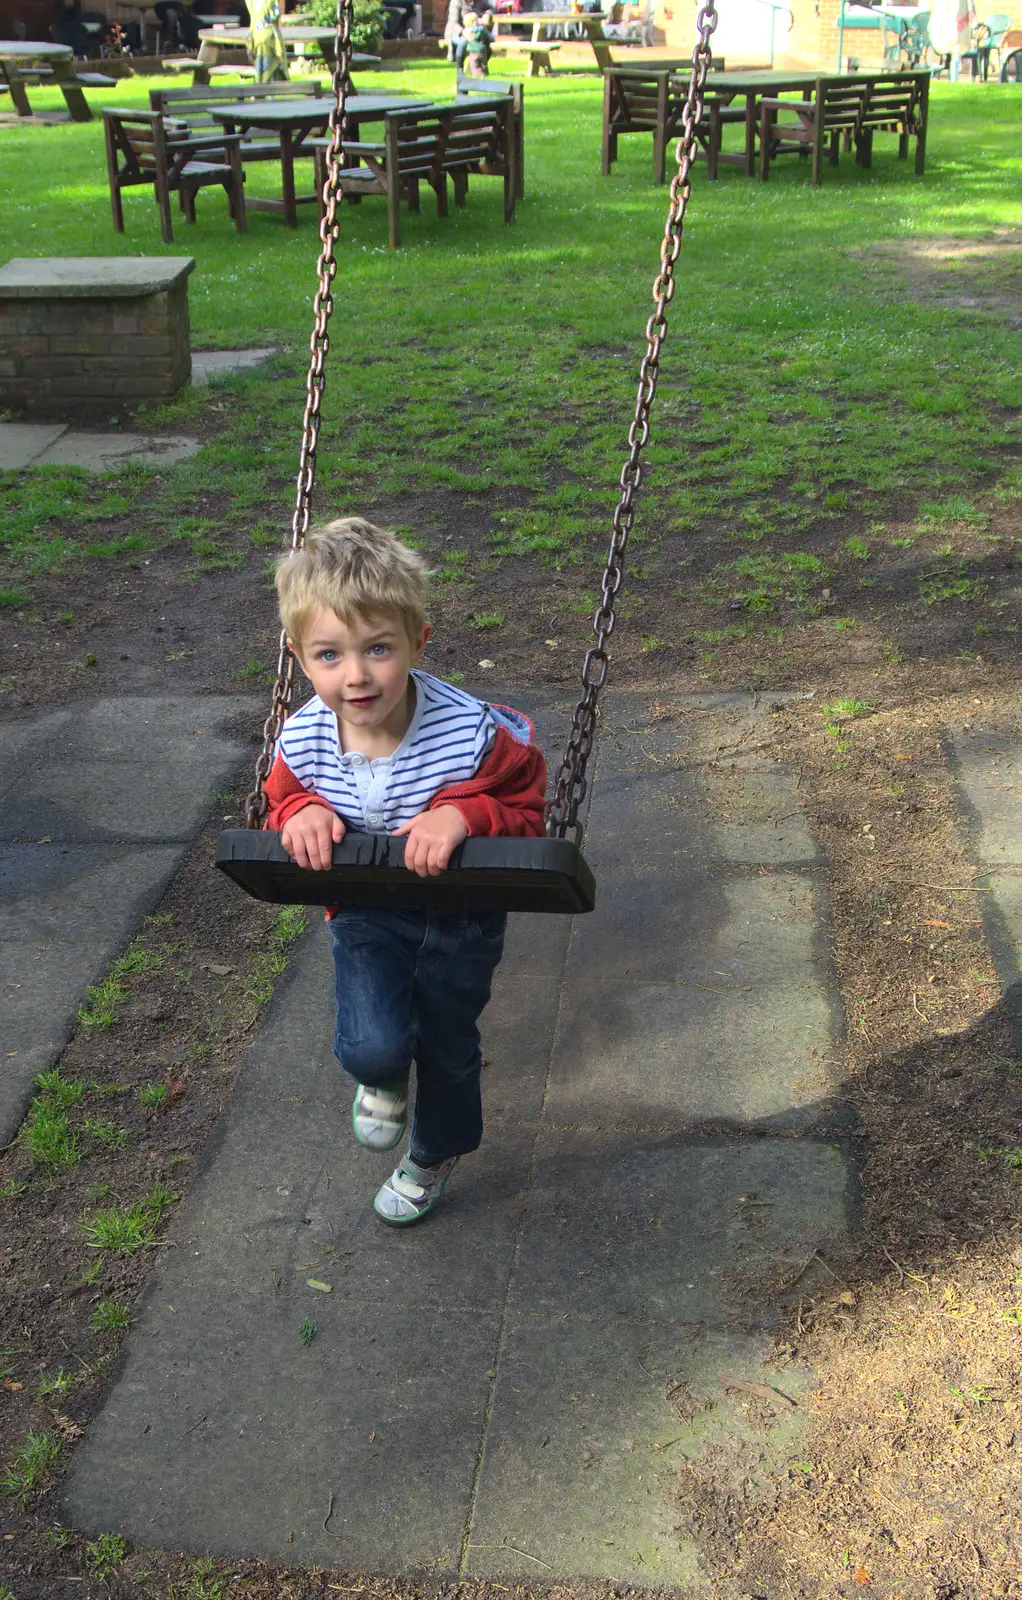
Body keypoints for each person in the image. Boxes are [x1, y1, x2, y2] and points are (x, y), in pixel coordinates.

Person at [265, 519, 547, 1227]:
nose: (356, 675)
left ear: (419, 641)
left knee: (450, 1048)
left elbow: (528, 811)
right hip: (365, 910)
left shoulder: (471, 733)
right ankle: (381, 1077)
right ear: (300, 657)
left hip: (463, 919)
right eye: (330, 655)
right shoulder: (303, 739)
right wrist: (297, 812)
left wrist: (466, 814)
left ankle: (433, 1154)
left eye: (378, 649)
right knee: (373, 1043)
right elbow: (280, 805)